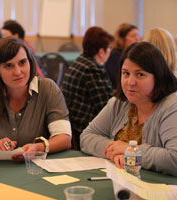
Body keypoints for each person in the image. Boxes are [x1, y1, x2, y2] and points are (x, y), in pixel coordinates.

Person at [80, 41, 177, 176]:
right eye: (126, 73)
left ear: (158, 76)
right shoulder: (119, 103)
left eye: (140, 74)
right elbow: (86, 137)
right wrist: (115, 152)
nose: (130, 82)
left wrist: (130, 151)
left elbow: (174, 159)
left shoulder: (172, 106)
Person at [0, 37, 71, 159]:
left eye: (22, 62)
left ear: (30, 63)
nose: (18, 72)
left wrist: (37, 147)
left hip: (35, 168)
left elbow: (64, 138)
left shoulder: (48, 88)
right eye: (9, 66)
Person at [61, 26, 114, 150]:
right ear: (102, 51)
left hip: (74, 125)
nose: (110, 51)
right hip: (84, 130)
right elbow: (108, 108)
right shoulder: (93, 70)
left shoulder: (79, 62)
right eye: (110, 48)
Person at [105, 23, 139, 89]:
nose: (137, 39)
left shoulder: (130, 55)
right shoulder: (115, 56)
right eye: (133, 36)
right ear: (122, 39)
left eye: (137, 35)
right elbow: (119, 82)